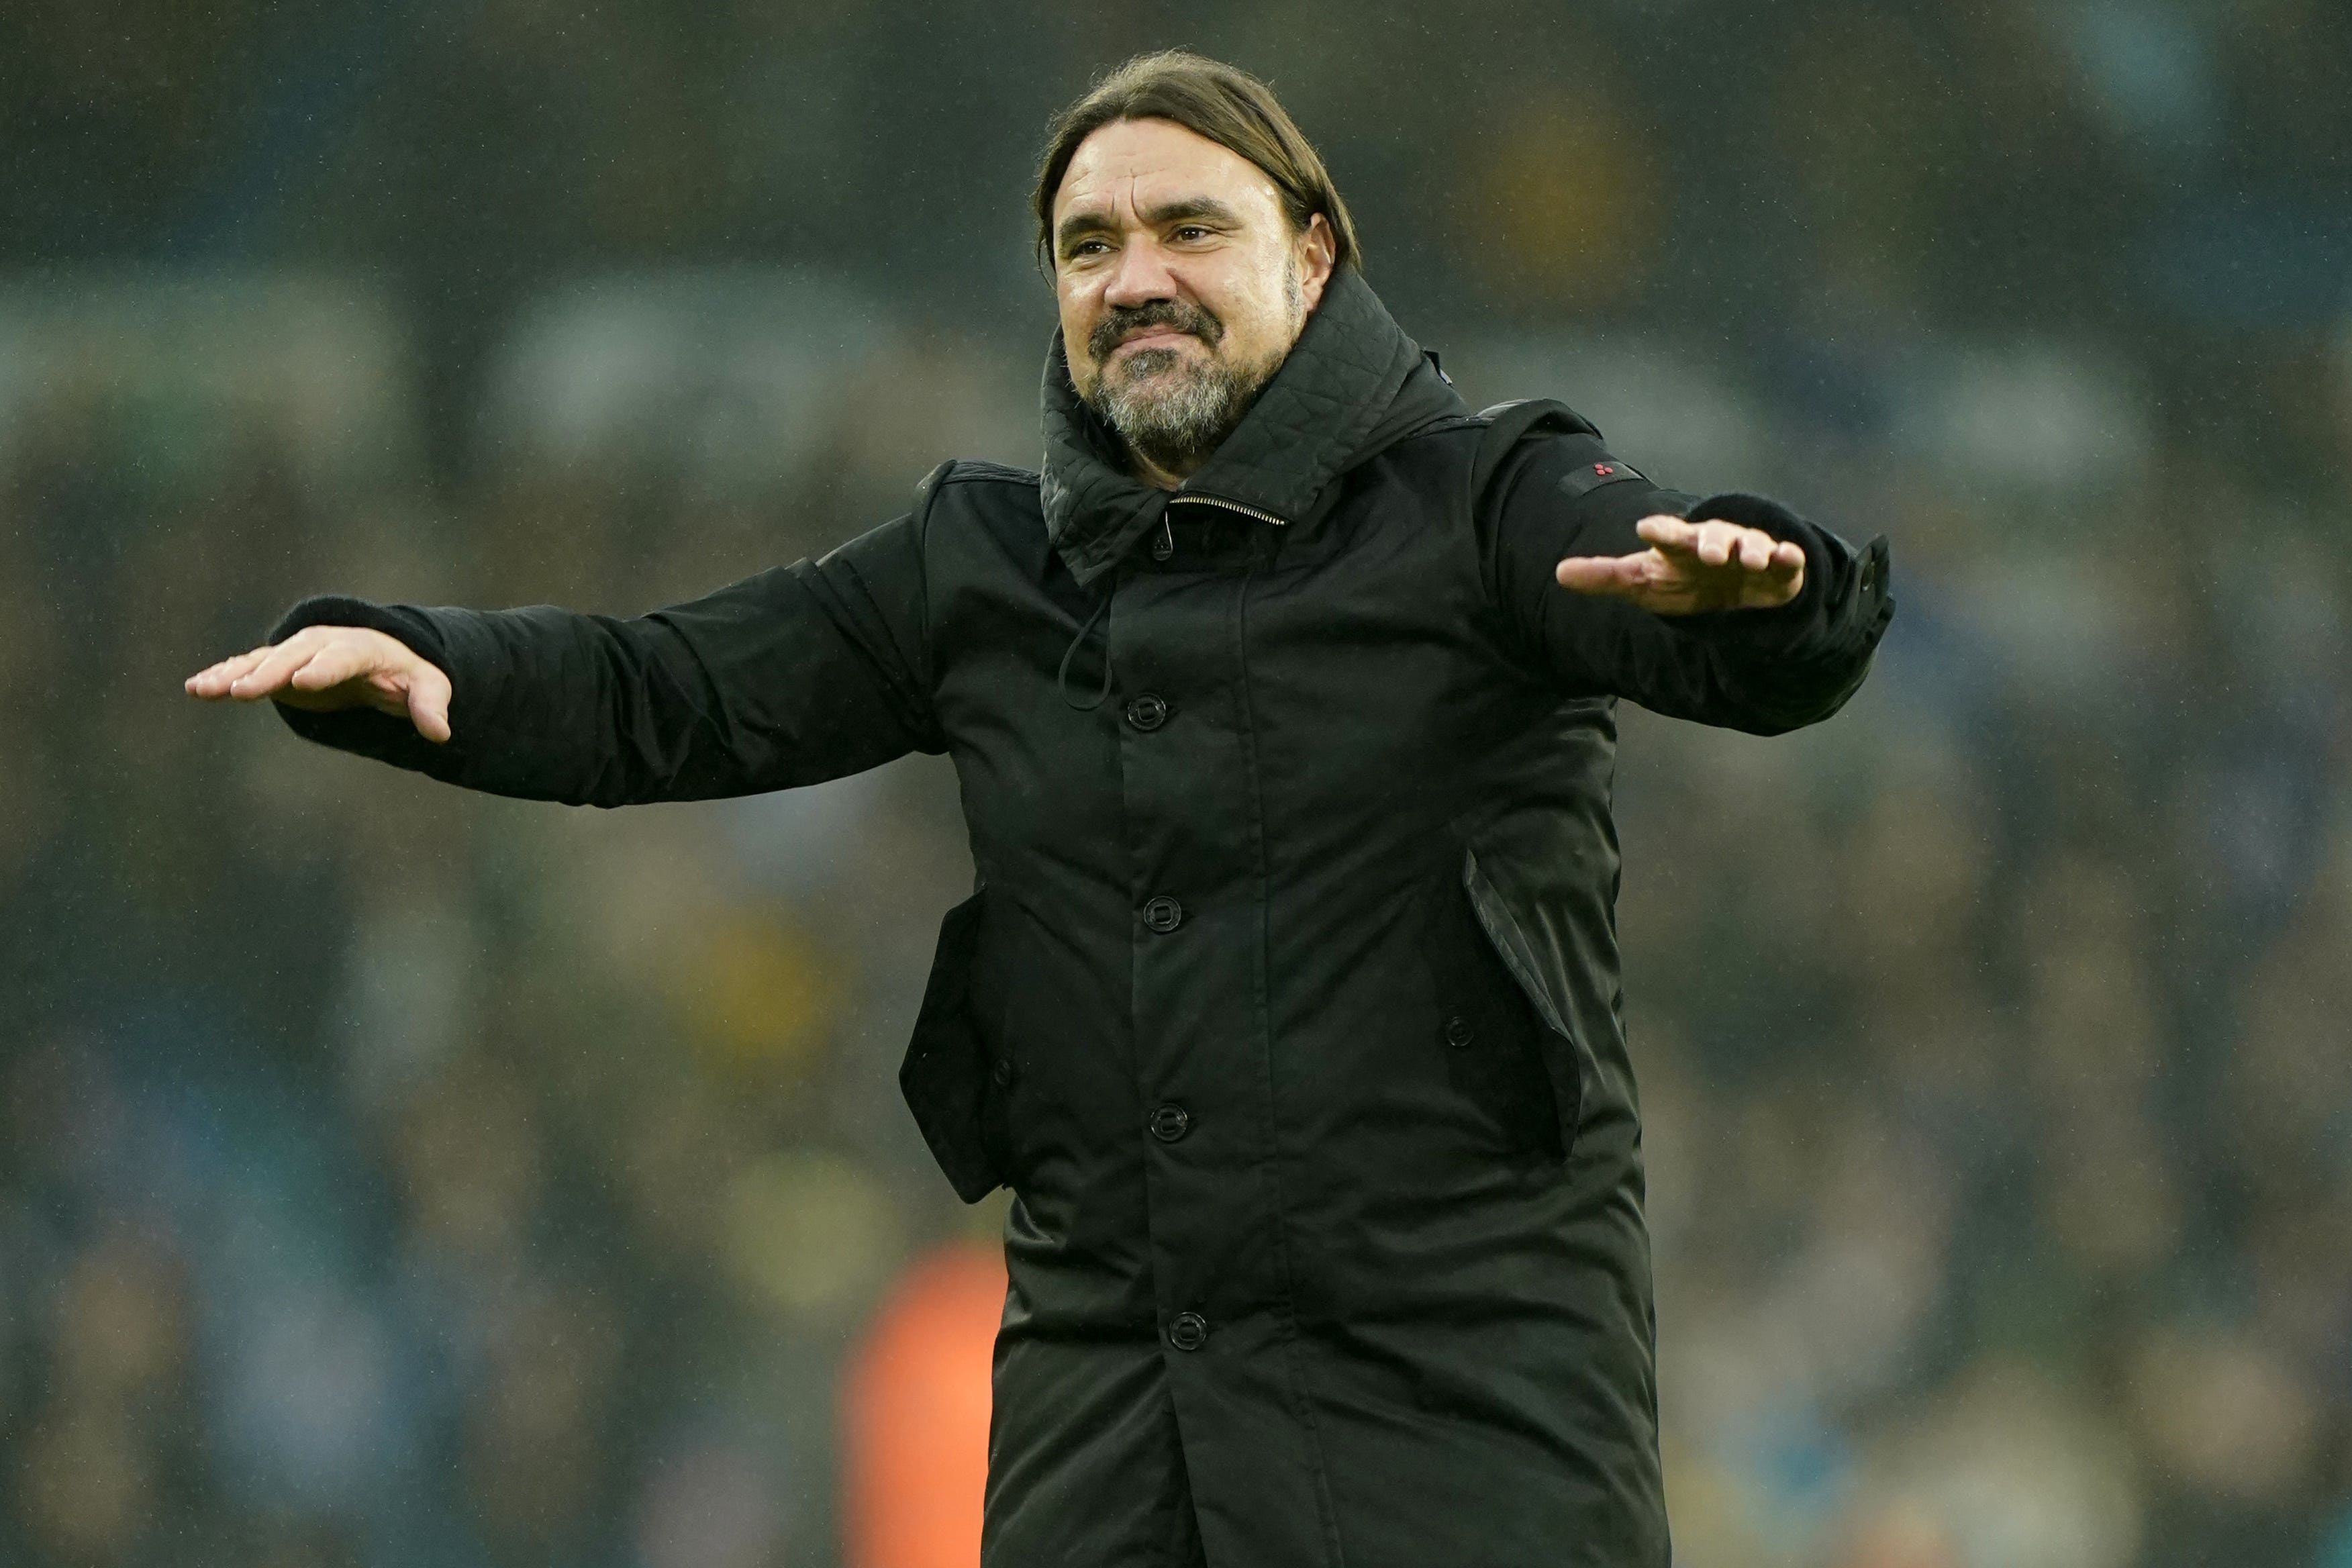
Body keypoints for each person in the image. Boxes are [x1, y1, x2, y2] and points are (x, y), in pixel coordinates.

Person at [187, 50, 1894, 1568]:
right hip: (1115, 1423)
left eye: (1188, 231)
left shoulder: (1490, 495)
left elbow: (1662, 584)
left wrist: (1773, 593)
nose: (1135, 279)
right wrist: (426, 661)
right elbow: (674, 687)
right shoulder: (981, 564)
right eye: (1090, 248)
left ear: (1314, 254)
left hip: (1465, 1415)